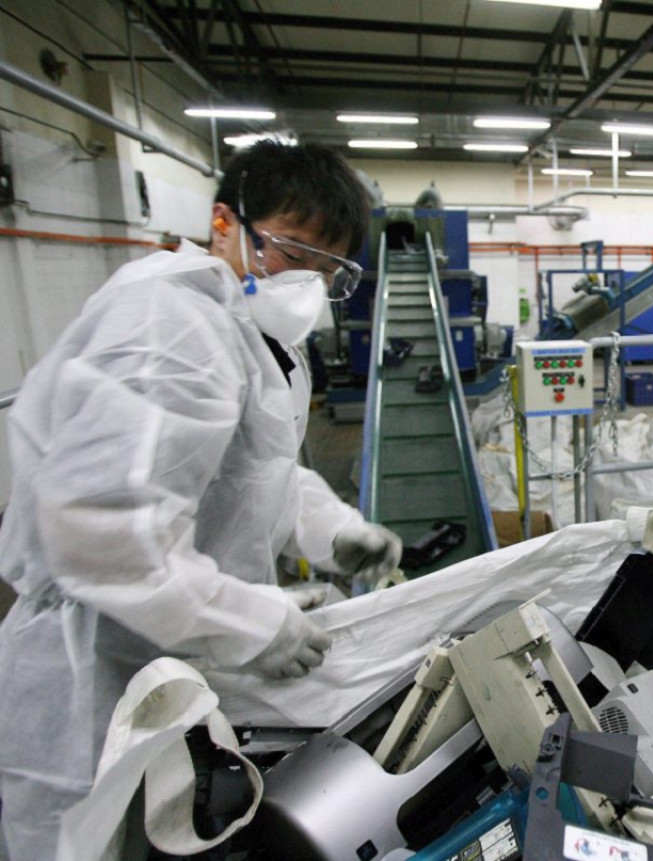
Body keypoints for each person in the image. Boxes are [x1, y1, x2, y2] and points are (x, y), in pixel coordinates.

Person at [0, 140, 403, 858]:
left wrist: (331, 530)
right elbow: (106, 535)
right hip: (93, 671)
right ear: (225, 220)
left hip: (173, 657)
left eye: (330, 271)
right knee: (79, 842)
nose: (307, 283)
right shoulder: (170, 324)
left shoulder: (262, 337)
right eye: (291, 251)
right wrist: (259, 625)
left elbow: (254, 473)